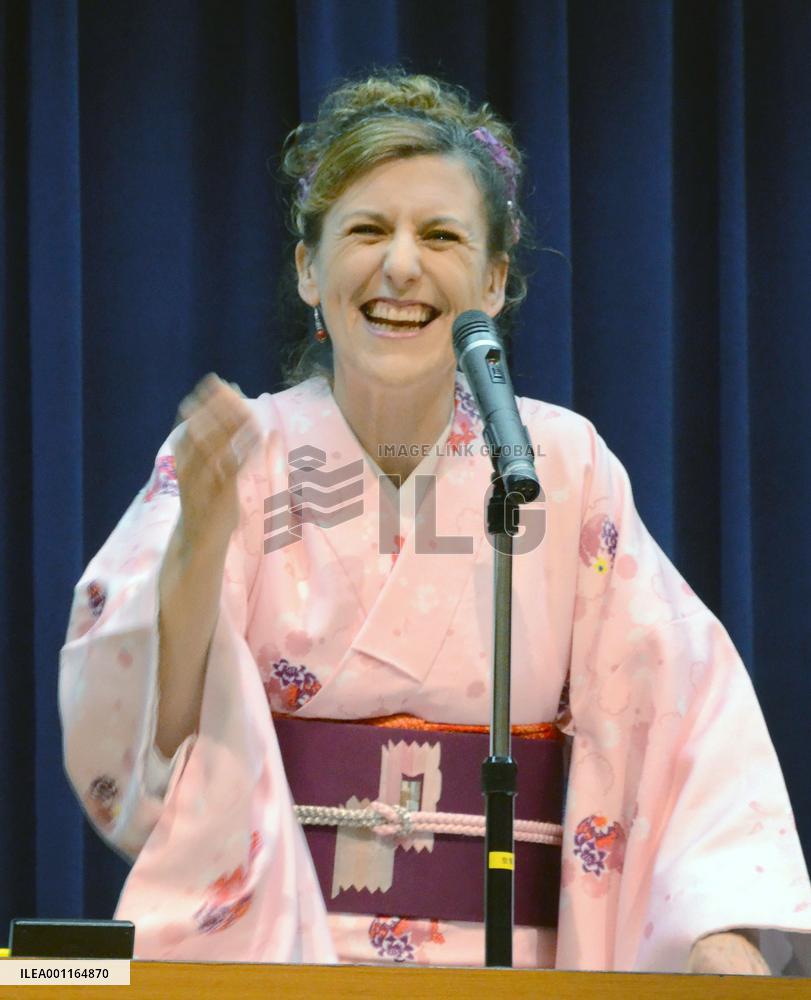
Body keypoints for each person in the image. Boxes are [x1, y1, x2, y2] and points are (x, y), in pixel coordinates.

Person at [59, 71, 811, 973]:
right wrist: (199, 541)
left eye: (441, 236)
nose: (401, 266)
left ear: (493, 279)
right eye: (367, 230)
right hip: (280, 953)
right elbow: (153, 740)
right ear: (308, 268)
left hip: (514, 962)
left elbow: (681, 713)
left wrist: (719, 929)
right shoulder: (235, 453)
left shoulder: (562, 465)